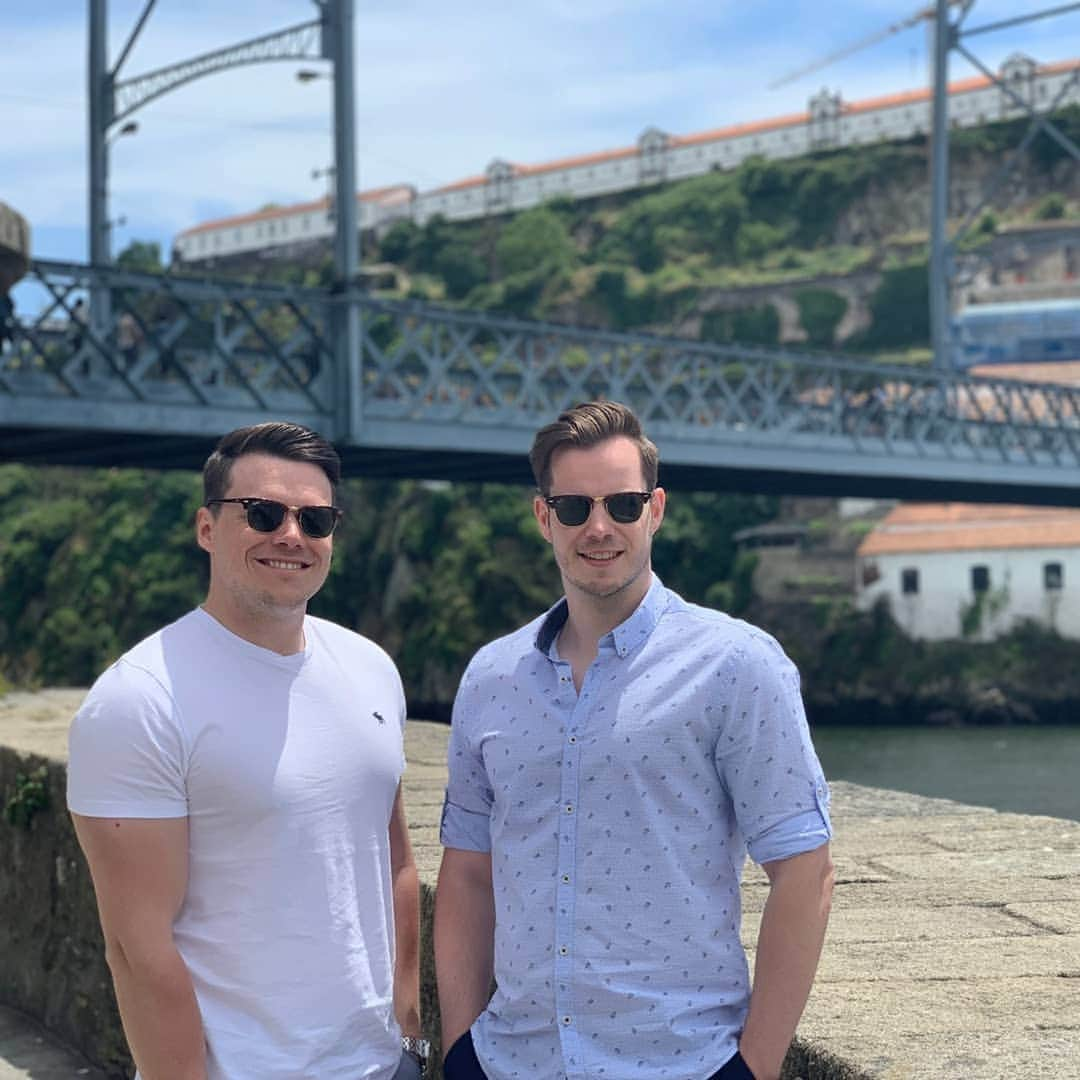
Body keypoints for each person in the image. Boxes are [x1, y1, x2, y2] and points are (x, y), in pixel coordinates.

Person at [435, 400, 834, 1080]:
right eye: (574, 508)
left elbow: (805, 870)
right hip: (508, 1062)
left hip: (679, 1063)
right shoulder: (490, 677)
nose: (599, 527)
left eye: (622, 505)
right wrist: (459, 1052)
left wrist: (755, 1069)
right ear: (543, 517)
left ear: (655, 510)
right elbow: (468, 872)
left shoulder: (738, 665)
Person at [68, 421, 428, 1080]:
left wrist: (408, 1021)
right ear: (208, 528)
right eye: (262, 513)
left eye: (315, 519)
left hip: (383, 1064)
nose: (291, 535)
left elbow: (394, 856)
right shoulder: (139, 702)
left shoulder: (371, 667)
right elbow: (136, 948)